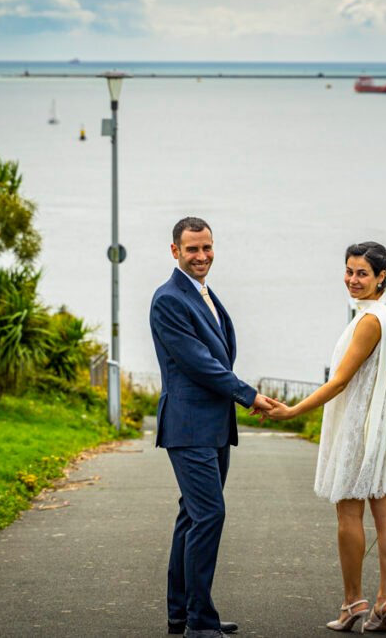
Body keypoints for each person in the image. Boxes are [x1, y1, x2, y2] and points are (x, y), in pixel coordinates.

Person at [255, 241, 386, 634]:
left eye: (362, 273)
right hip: (385, 425)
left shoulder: (369, 321)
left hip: (359, 427)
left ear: (381, 276)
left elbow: (340, 381)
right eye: (348, 271)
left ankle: (353, 601)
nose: (353, 280)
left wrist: (292, 411)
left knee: (349, 513)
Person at [150, 217, 275, 638]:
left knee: (192, 515)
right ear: (175, 252)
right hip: (188, 426)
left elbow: (218, 354)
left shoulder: (203, 292)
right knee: (209, 515)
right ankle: (200, 622)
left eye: (207, 248)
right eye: (192, 250)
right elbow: (199, 364)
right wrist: (249, 395)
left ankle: (182, 614)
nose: (201, 256)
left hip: (212, 425)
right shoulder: (168, 299)